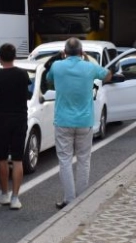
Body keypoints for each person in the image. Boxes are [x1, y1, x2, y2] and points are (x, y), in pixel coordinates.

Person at [46, 37, 112, 209]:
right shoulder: (89, 67)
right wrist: (87, 59)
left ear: (65, 52)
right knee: (84, 159)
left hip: (63, 121)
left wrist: (62, 60)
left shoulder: (57, 66)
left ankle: (69, 199)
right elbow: (108, 75)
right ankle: (82, 199)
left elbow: (48, 79)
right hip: (85, 121)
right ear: (82, 53)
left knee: (65, 160)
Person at [0, 43, 31, 210]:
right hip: (20, 119)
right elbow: (26, 95)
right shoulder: (23, 75)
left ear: (0, 58)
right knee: (18, 159)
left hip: (2, 120)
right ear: (15, 56)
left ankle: (4, 194)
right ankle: (16, 198)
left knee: (1, 158)